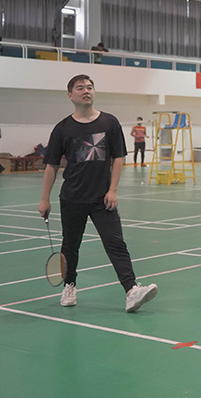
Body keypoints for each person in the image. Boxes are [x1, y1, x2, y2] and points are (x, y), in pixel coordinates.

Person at [38, 74, 159, 312]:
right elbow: (51, 165)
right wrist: (44, 199)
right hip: (72, 197)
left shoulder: (109, 123)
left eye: (90, 87)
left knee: (115, 243)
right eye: (80, 87)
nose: (86, 90)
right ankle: (70, 286)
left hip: (102, 198)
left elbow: (118, 158)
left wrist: (113, 190)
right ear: (70, 95)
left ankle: (131, 291)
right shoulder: (62, 128)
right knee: (70, 246)